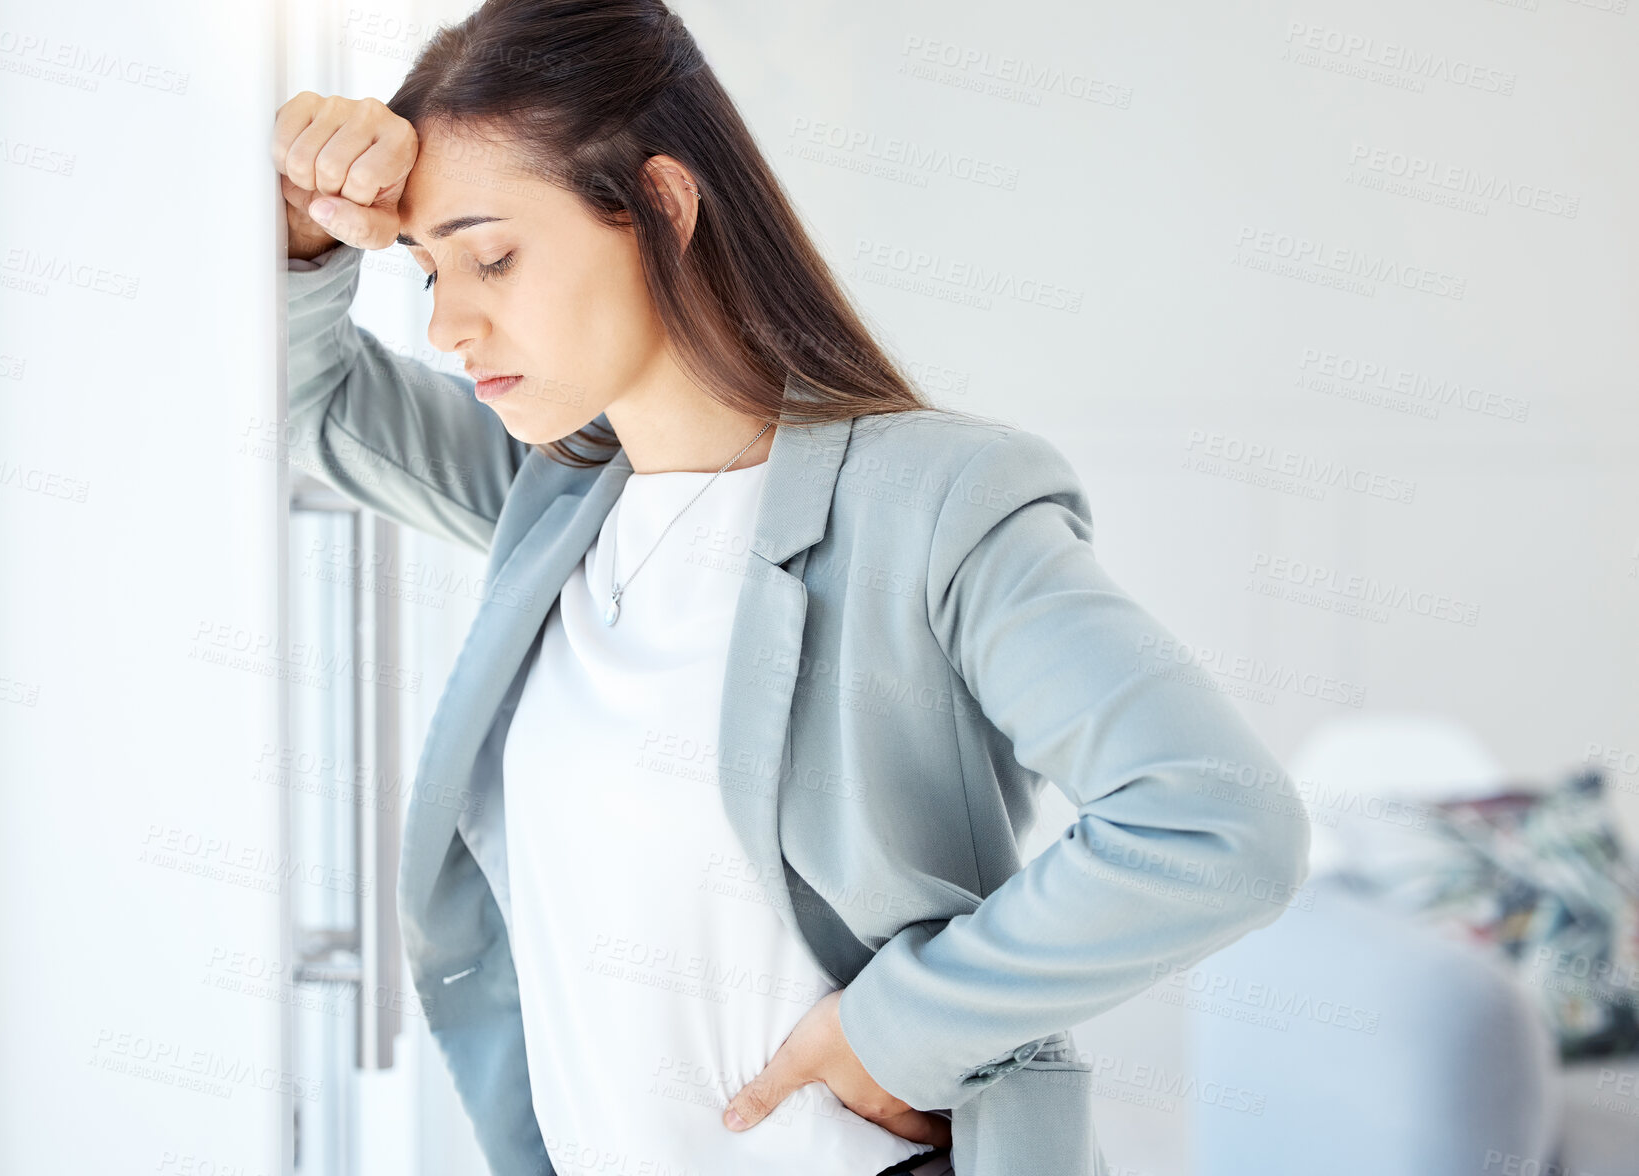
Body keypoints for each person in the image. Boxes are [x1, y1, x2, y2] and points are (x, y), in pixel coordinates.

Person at [269, 3, 1312, 1174]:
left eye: (492, 253)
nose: (447, 320)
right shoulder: (554, 506)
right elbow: (312, 407)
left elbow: (1213, 818)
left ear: (661, 205)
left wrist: (900, 1029)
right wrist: (304, 230)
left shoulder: (931, 502)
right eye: (423, 268)